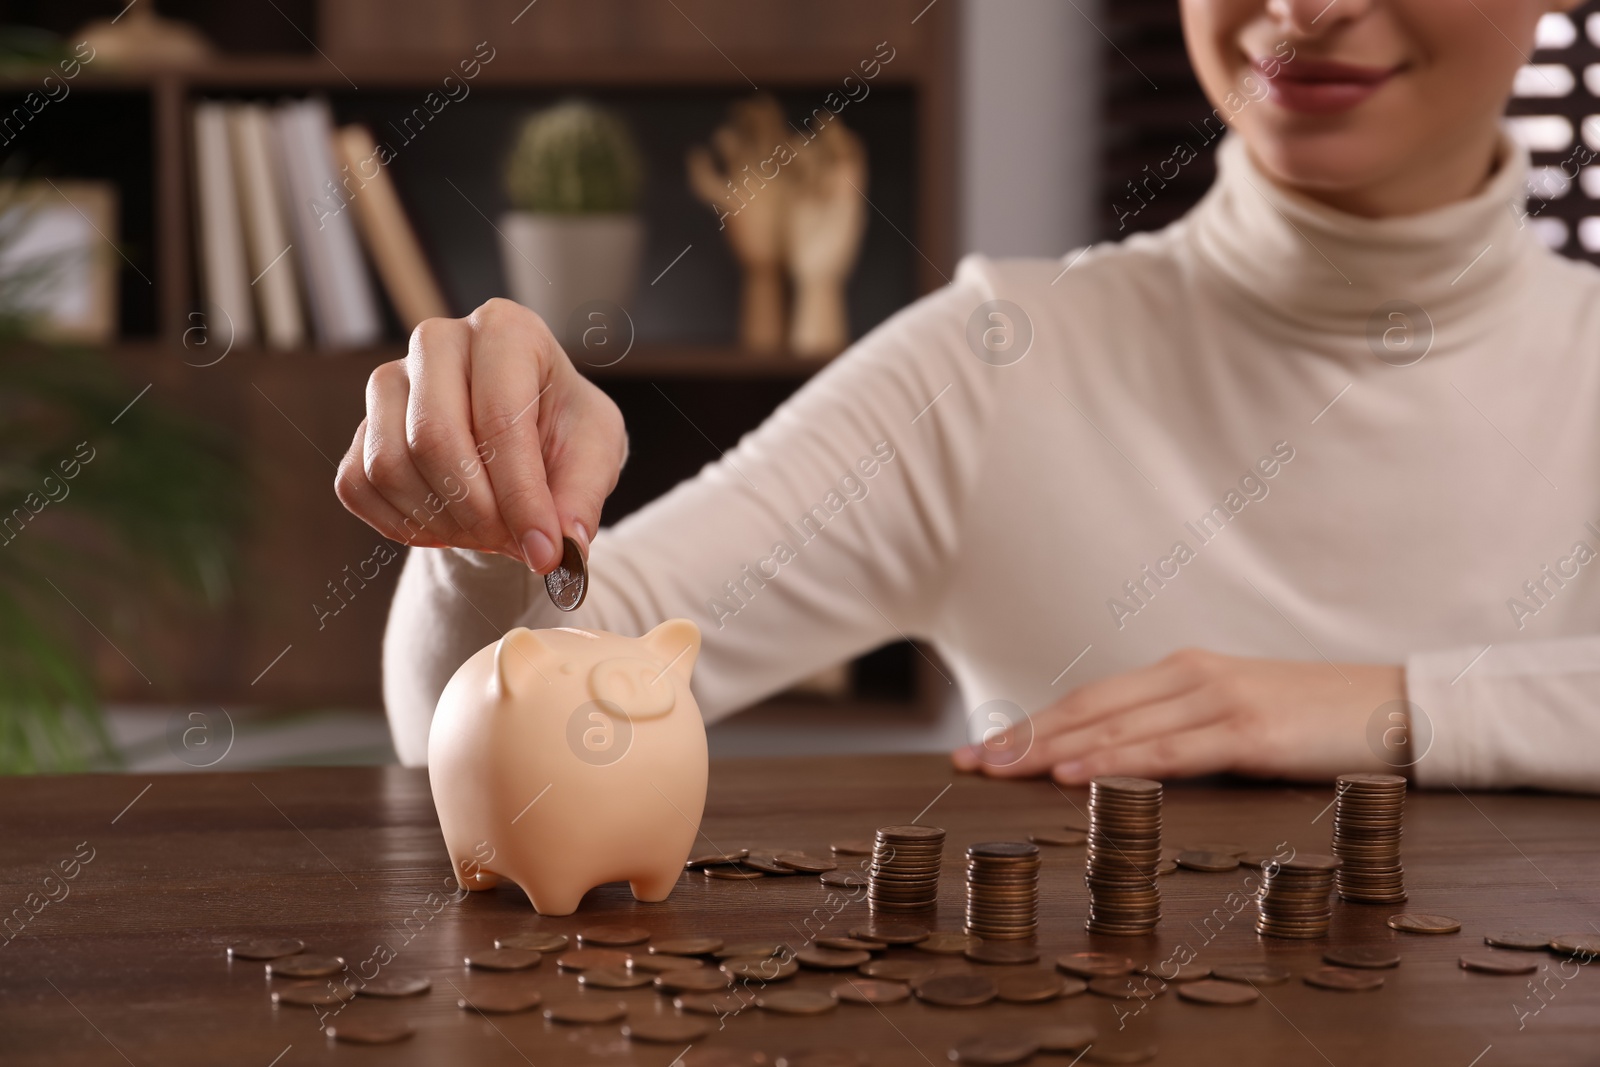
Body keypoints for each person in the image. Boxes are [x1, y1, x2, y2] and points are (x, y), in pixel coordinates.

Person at [337, 0, 1600, 793]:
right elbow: (496, 710)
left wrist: (1377, 705)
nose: (1309, 5)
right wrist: (498, 525)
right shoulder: (999, 360)